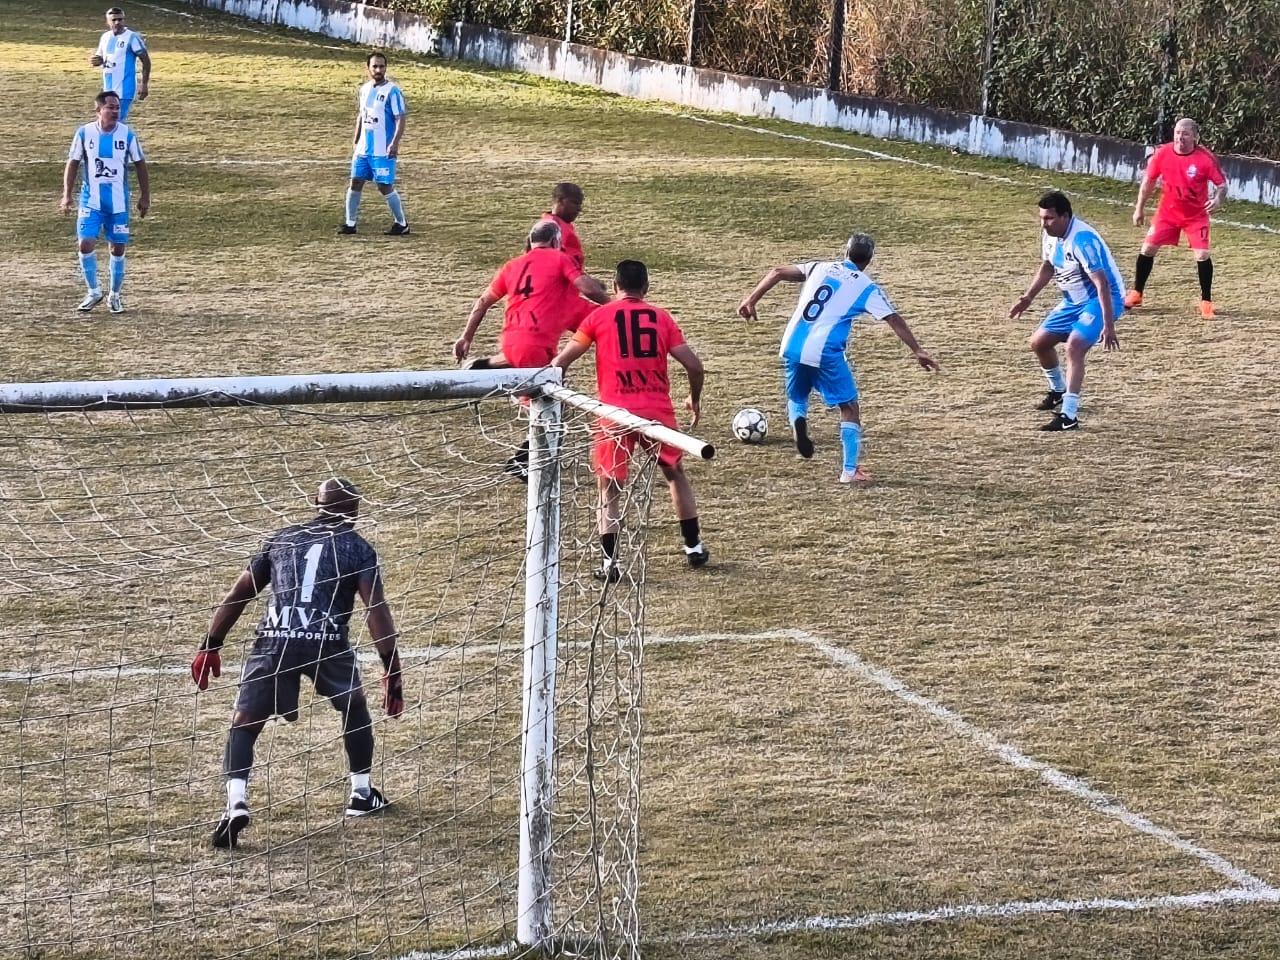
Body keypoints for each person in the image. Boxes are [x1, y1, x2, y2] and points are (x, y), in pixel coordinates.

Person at [190, 478, 404, 850]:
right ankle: (361, 793)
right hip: (326, 639)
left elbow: (240, 593)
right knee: (353, 706)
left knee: (245, 722)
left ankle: (235, 801)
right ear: (355, 510)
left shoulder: (281, 538)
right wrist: (391, 667)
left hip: (274, 639)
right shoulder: (359, 549)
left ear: (314, 504)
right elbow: (376, 609)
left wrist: (210, 644)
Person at [737, 233, 938, 484]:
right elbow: (893, 318)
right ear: (869, 259)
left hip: (791, 344)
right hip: (825, 351)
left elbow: (778, 271)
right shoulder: (866, 287)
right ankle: (849, 471)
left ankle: (799, 421)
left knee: (797, 395)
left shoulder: (819, 267)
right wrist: (917, 350)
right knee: (849, 407)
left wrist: (751, 299)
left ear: (845, 251)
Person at [552, 260, 710, 579]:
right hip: (656, 410)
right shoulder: (661, 317)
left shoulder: (597, 317)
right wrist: (694, 398)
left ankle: (610, 564)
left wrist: (556, 390)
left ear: (614, 286)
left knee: (609, 487)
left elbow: (561, 361)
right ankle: (693, 548)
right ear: (646, 288)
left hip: (614, 412)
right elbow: (694, 366)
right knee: (674, 474)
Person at [1009, 191, 1125, 431]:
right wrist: (1028, 297)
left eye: (1049, 218)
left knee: (1075, 346)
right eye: (1042, 218)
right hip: (1074, 301)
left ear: (1065, 216)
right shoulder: (1050, 236)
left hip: (1102, 299)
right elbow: (1048, 266)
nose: (1044, 224)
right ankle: (1058, 390)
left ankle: (1069, 416)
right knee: (1039, 343)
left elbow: (1102, 284)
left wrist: (1108, 325)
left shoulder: (1082, 240)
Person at [1126, 117, 1227, 319]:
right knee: (1147, 248)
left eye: (1186, 133)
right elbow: (1148, 182)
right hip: (1168, 212)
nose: (1181, 137)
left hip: (1196, 215)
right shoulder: (1162, 153)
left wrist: (1217, 200)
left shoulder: (1205, 159)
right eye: (1178, 133)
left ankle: (1206, 302)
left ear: (1195, 137)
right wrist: (1139, 208)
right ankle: (1136, 293)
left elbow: (1222, 186)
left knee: (1202, 255)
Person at [60, 90, 150, 314]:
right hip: (91, 201)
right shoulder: (84, 133)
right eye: (110, 107)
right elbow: (72, 163)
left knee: (118, 248)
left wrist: (145, 196)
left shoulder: (127, 135)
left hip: (118, 203)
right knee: (85, 243)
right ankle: (93, 291)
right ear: (98, 109)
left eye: (117, 107)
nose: (115, 111)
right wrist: (67, 195)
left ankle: (115, 295)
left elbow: (140, 164)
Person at [339, 52, 409, 236]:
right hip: (363, 148)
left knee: (384, 185)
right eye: (375, 66)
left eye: (382, 66)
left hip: (382, 149)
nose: (378, 70)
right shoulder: (364, 90)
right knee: (355, 182)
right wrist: (355, 140)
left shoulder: (392, 91)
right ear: (368, 68)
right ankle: (350, 223)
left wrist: (394, 143)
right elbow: (361, 115)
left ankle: (401, 224)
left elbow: (400, 118)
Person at [90, 7, 150, 122]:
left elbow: (146, 61)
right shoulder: (105, 37)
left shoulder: (132, 37)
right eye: (114, 20)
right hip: (108, 88)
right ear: (107, 22)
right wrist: (96, 61)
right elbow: (101, 58)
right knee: (106, 121)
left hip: (124, 89)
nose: (117, 22)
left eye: (120, 19)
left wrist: (144, 84)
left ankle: (123, 140)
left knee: (115, 121)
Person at [539, 182, 586, 269]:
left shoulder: (558, 223)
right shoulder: (553, 227)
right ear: (560, 201)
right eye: (575, 203)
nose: (579, 209)